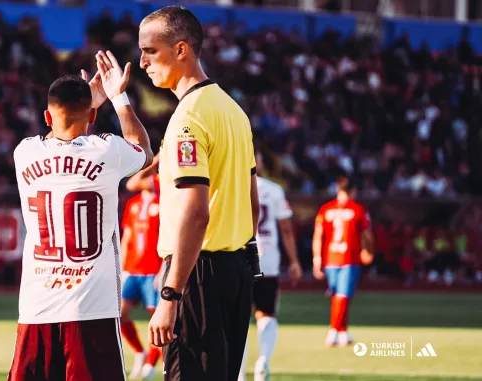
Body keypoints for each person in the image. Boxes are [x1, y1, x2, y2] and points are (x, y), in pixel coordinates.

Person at [106, 6, 261, 381]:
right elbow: (252, 202)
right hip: (235, 270)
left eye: (150, 51)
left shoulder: (187, 119)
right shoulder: (233, 110)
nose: (141, 62)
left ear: (181, 50)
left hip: (196, 275)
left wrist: (171, 296)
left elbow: (195, 212)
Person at [7, 54, 154, 381]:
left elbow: (64, 141)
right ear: (91, 116)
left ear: (47, 115)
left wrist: (90, 103)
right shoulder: (106, 151)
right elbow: (143, 149)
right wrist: (117, 97)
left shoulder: (24, 152)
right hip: (92, 307)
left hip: (36, 307)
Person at [239, 152, 302, 381]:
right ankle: (263, 359)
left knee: (238, 318)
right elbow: (286, 229)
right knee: (266, 314)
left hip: (239, 257)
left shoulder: (232, 186)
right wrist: (294, 261)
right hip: (268, 259)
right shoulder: (273, 190)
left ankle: (238, 372)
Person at [313, 177, 374, 348]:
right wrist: (367, 250)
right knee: (342, 296)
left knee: (338, 296)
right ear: (353, 191)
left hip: (330, 257)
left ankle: (342, 332)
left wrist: (317, 258)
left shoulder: (325, 209)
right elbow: (367, 233)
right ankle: (333, 331)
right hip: (349, 258)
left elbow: (318, 236)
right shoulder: (358, 209)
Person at [119, 158, 162, 380]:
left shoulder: (164, 198)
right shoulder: (133, 204)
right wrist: (122, 269)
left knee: (158, 319)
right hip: (133, 270)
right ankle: (140, 352)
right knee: (121, 313)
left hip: (154, 271)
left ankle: (152, 364)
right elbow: (127, 238)